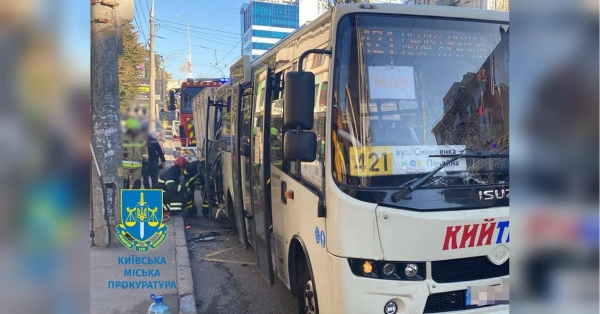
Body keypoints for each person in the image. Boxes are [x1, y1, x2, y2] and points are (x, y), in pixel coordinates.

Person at [154, 156, 189, 222]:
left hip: (162, 193)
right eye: (184, 168)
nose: (185, 169)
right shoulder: (170, 173)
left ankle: (169, 208)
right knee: (178, 194)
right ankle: (173, 210)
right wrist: (183, 188)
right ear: (179, 167)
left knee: (181, 197)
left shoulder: (176, 172)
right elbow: (171, 187)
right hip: (160, 194)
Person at [120, 118, 148, 189]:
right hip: (124, 165)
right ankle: (122, 199)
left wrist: (145, 160)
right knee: (123, 184)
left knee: (136, 184)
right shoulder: (121, 137)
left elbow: (144, 150)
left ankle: (133, 198)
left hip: (137, 165)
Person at [141, 123, 166, 189]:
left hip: (152, 161)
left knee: (153, 178)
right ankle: (149, 191)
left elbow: (159, 150)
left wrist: (163, 160)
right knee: (146, 178)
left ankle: (152, 191)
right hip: (145, 162)